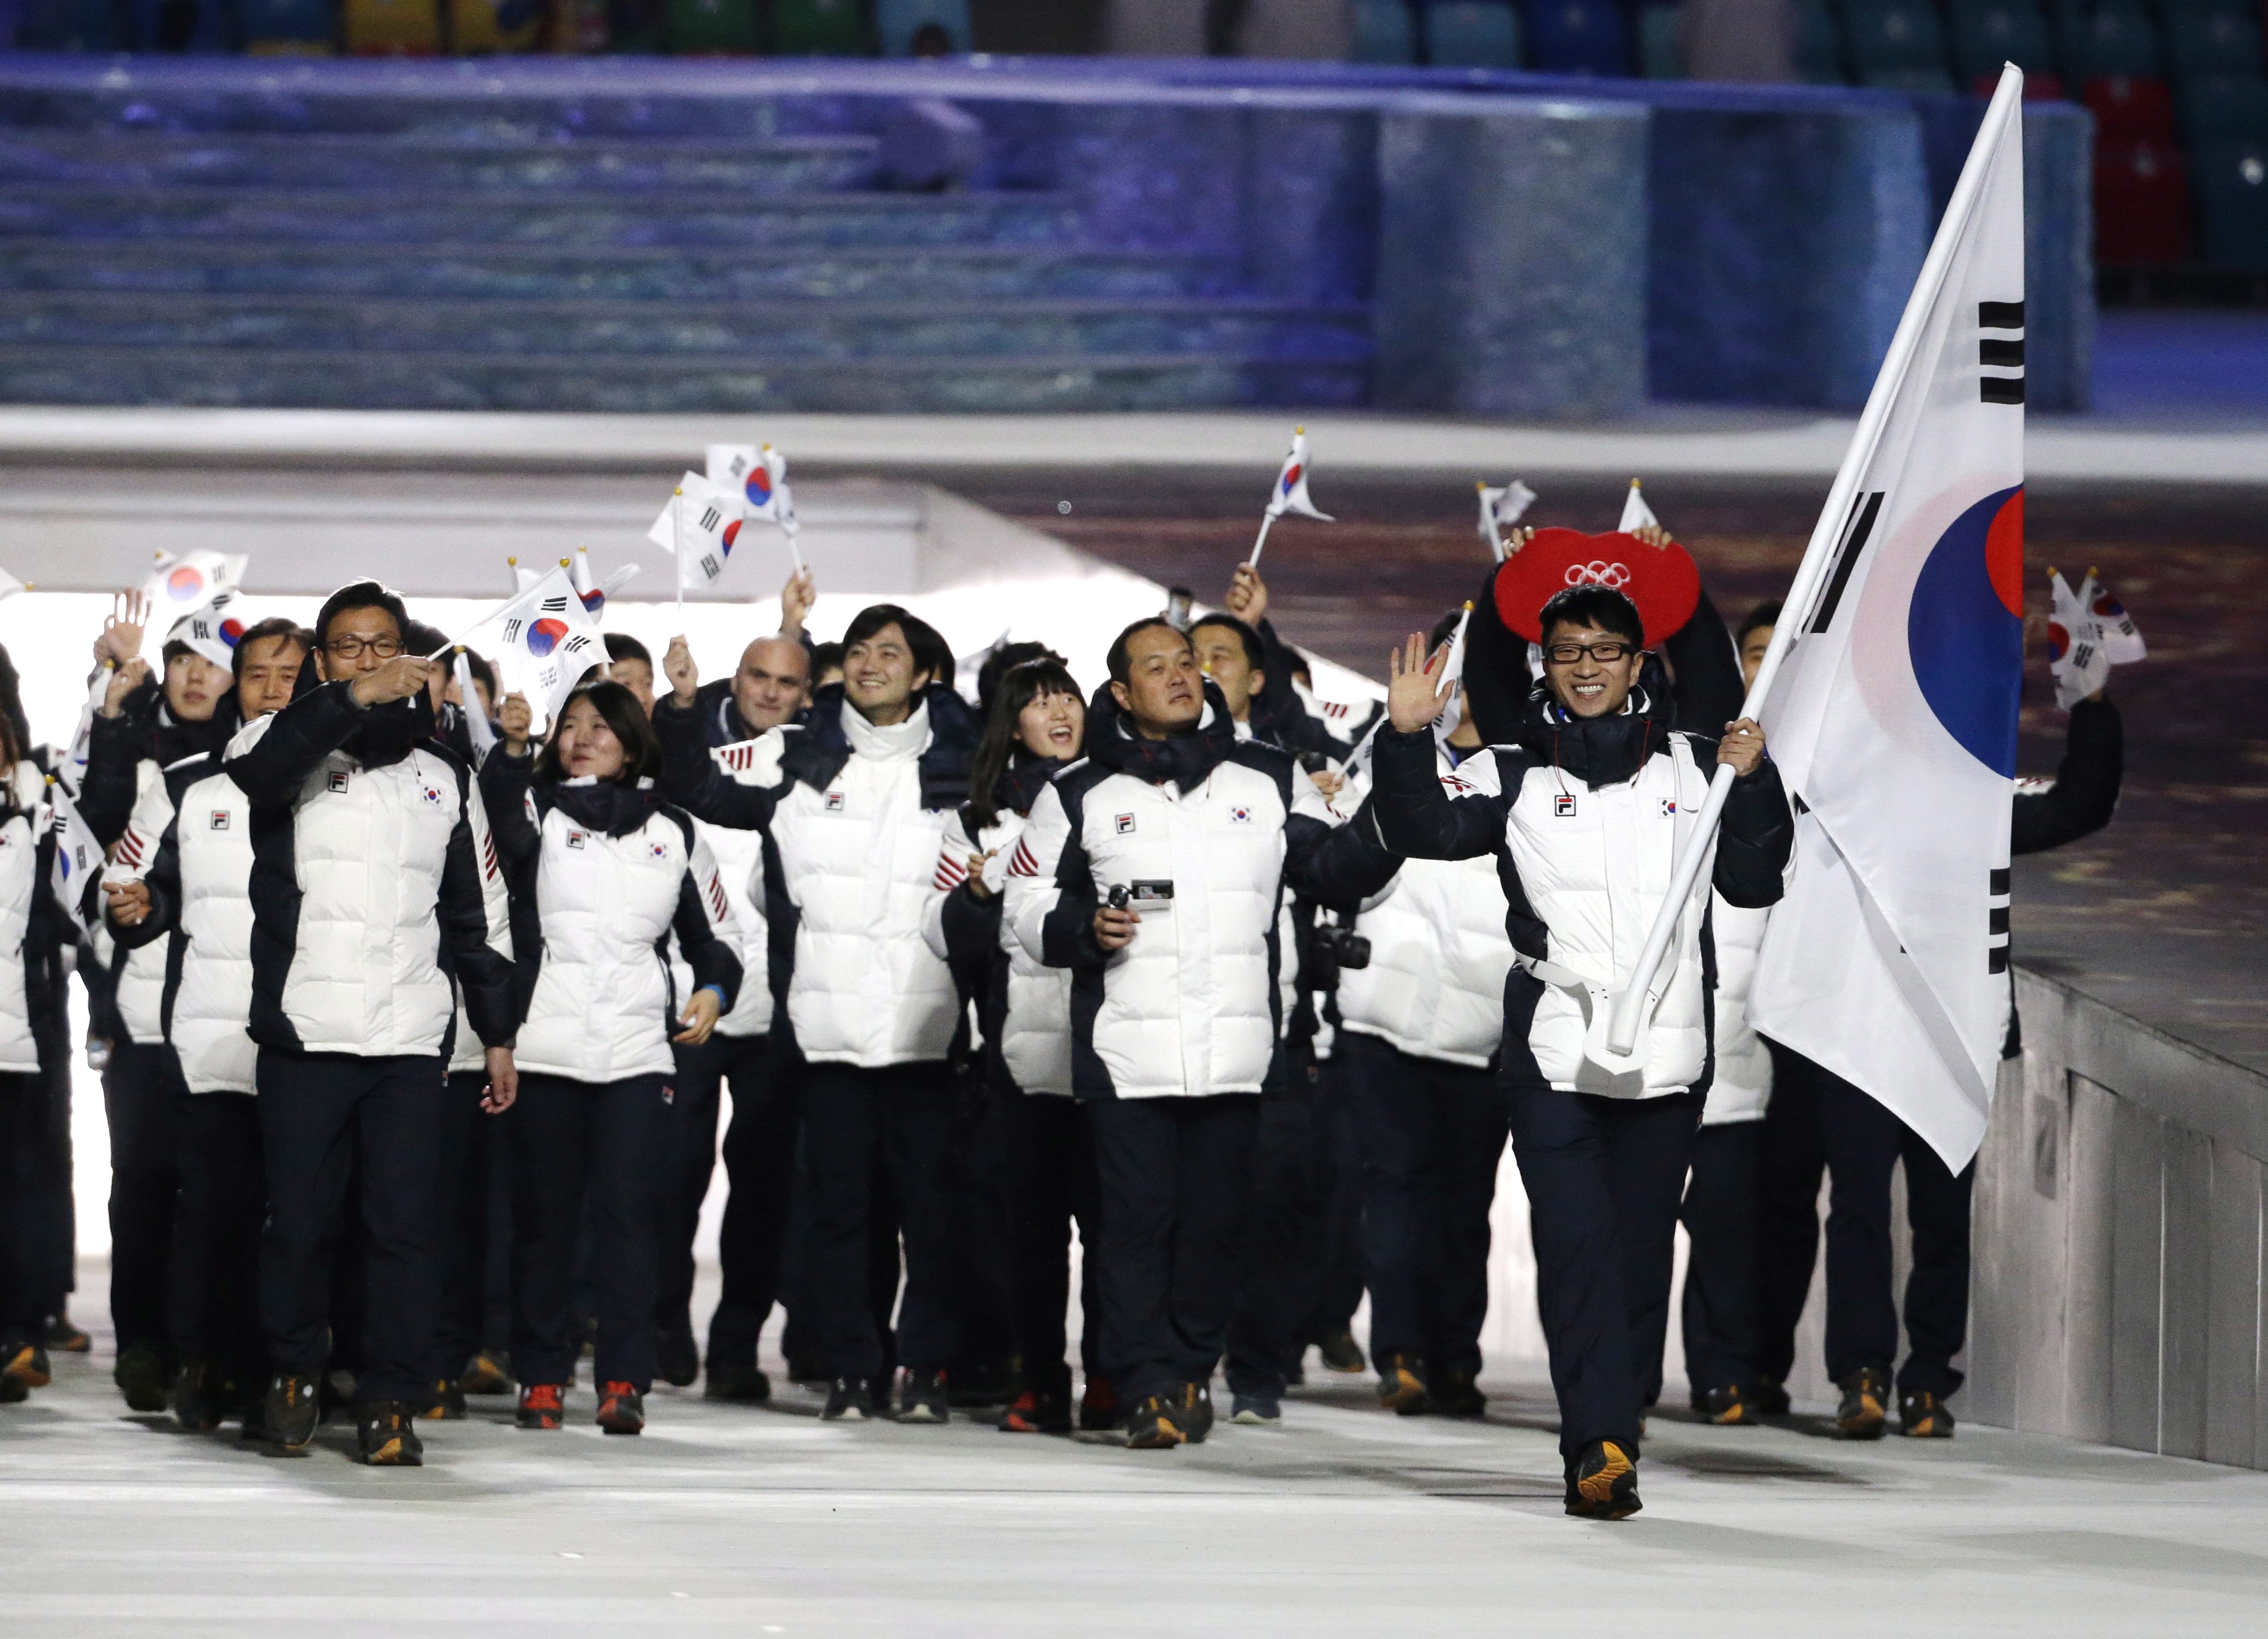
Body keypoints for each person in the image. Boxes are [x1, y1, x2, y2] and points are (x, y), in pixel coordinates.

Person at [1373, 583, 1792, 1520]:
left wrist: (1756, 782)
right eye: (1569, 652)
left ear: (1641, 662)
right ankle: (1597, 1444)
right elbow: (1424, 829)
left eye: (1607, 650)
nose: (1589, 666)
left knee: (1638, 1252)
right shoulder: (1515, 768)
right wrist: (1407, 742)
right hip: (1553, 1046)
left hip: (1669, 1048)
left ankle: (1614, 1415)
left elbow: (1757, 880)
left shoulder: (1697, 763)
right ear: (1545, 665)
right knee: (1575, 1243)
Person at [1002, 617, 1398, 1447]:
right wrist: (1083, 926)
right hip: (1125, 1055)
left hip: (1240, 1054)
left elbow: (1335, 869)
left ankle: (1188, 1370)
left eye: (1187, 661)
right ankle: (1147, 1381)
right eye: (1156, 665)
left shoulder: (1265, 776)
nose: (1180, 675)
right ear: (1121, 693)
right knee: (1135, 1228)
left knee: (1218, 1229)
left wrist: (1399, 764)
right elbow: (1024, 909)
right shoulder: (1076, 792)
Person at [1751, 612, 2124, 1440]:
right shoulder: (1822, 788)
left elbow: (2076, 807)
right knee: (1855, 1208)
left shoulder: (1977, 797)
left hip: (1950, 1031)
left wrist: (2091, 706)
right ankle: (1861, 1379)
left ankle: (1929, 1382)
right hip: (1852, 1032)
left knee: (1941, 1216)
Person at [656, 604, 979, 1424]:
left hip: (927, 1030)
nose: (870, 664)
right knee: (837, 1214)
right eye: (861, 650)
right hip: (825, 1031)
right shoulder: (799, 756)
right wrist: (687, 709)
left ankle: (926, 1366)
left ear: (926, 673)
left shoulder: (966, 765)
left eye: (890, 653)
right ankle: (851, 1368)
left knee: (932, 1220)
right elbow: (699, 789)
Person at [223, 580, 520, 1466]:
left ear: (413, 657)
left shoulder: (447, 778)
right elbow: (262, 771)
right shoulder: (273, 747)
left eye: (382, 644)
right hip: (305, 1035)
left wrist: (497, 1031)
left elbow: (480, 916)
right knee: (302, 1225)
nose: (368, 658)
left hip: (408, 1044)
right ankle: (291, 1377)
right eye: (348, 647)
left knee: (403, 1228)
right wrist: (349, 702)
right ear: (322, 663)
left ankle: (391, 1396)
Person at [480, 682, 742, 1436]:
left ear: (633, 742)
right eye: (572, 725)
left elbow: (711, 939)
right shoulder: (538, 810)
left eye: (600, 726)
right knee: (545, 1224)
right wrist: (514, 747)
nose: (582, 736)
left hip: (637, 1053)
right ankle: (541, 1377)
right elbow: (500, 819)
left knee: (633, 1221)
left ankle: (624, 1378)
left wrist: (716, 990)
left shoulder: (676, 830)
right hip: (547, 1048)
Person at [97, 618, 314, 1431]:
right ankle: (200, 1363)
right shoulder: (184, 784)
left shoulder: (344, 781)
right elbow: (136, 888)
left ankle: (275, 1377)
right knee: (210, 1214)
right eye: (256, 673)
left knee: (291, 1220)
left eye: (290, 675)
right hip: (207, 1036)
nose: (271, 689)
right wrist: (138, 909)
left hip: (309, 1041)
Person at [1335, 607, 1514, 1421]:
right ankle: (1401, 1354)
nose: (1455, 685)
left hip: (1483, 1034)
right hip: (1387, 1023)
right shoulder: (1382, 756)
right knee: (1397, 1194)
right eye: (1447, 666)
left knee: (1464, 1208)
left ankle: (1455, 1357)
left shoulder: (1525, 773)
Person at [926, 656, 1111, 1434]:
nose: (1059, 711)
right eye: (1037, 703)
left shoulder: (1119, 799)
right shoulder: (973, 823)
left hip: (1112, 1054)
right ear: (1012, 724)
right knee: (1031, 1242)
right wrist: (974, 898)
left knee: (1113, 1235)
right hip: (1022, 1058)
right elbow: (943, 939)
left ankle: (1112, 1376)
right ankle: (1038, 1380)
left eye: (1067, 695)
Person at [80, 605, 239, 1411]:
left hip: (228, 1013)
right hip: (142, 1016)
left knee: (216, 1193)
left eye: (211, 662)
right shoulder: (137, 754)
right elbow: (97, 827)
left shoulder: (256, 760)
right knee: (141, 1181)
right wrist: (114, 704)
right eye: (181, 660)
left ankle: (203, 1350)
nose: (195, 674)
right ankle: (143, 1344)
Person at [651, 616, 812, 1399]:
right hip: (693, 999)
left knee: (765, 1186)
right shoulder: (683, 744)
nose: (770, 693)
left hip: (779, 1009)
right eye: (759, 677)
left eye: (786, 682)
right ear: (736, 678)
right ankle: (664, 1325)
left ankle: (738, 1345)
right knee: (672, 1176)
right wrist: (680, 708)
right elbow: (689, 789)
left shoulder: (820, 764)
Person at [1673, 599, 1783, 1428]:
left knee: (1730, 1243)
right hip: (1653, 1056)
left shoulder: (1801, 784)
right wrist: (1681, 600)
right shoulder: (1673, 771)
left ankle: (1724, 1379)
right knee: (1631, 1238)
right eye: (1749, 653)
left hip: (1744, 1067)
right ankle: (1625, 1384)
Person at [0, 707, 69, 1403]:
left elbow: (63, 912)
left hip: (13, 1043)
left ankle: (17, 1335)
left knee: (15, 1197)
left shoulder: (37, 815)